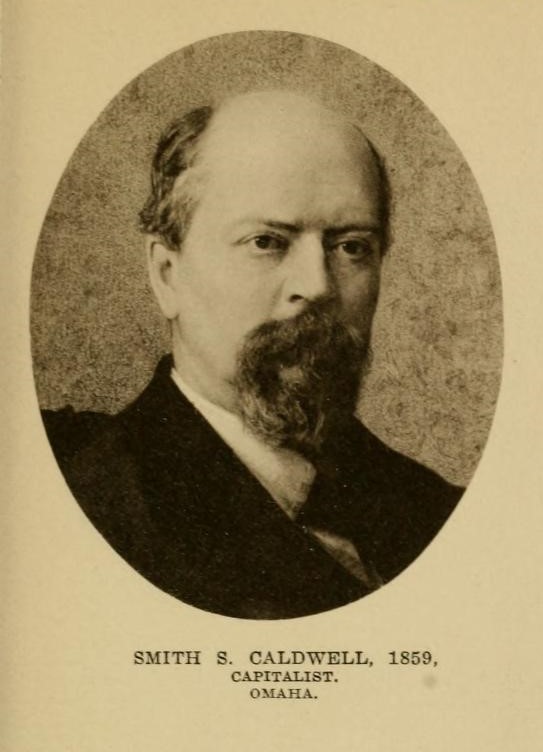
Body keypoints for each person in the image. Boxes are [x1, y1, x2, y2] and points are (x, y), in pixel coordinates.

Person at [43, 90, 463, 619]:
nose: (317, 285)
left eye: (352, 246)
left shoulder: (442, 513)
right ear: (166, 274)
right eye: (266, 241)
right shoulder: (85, 515)